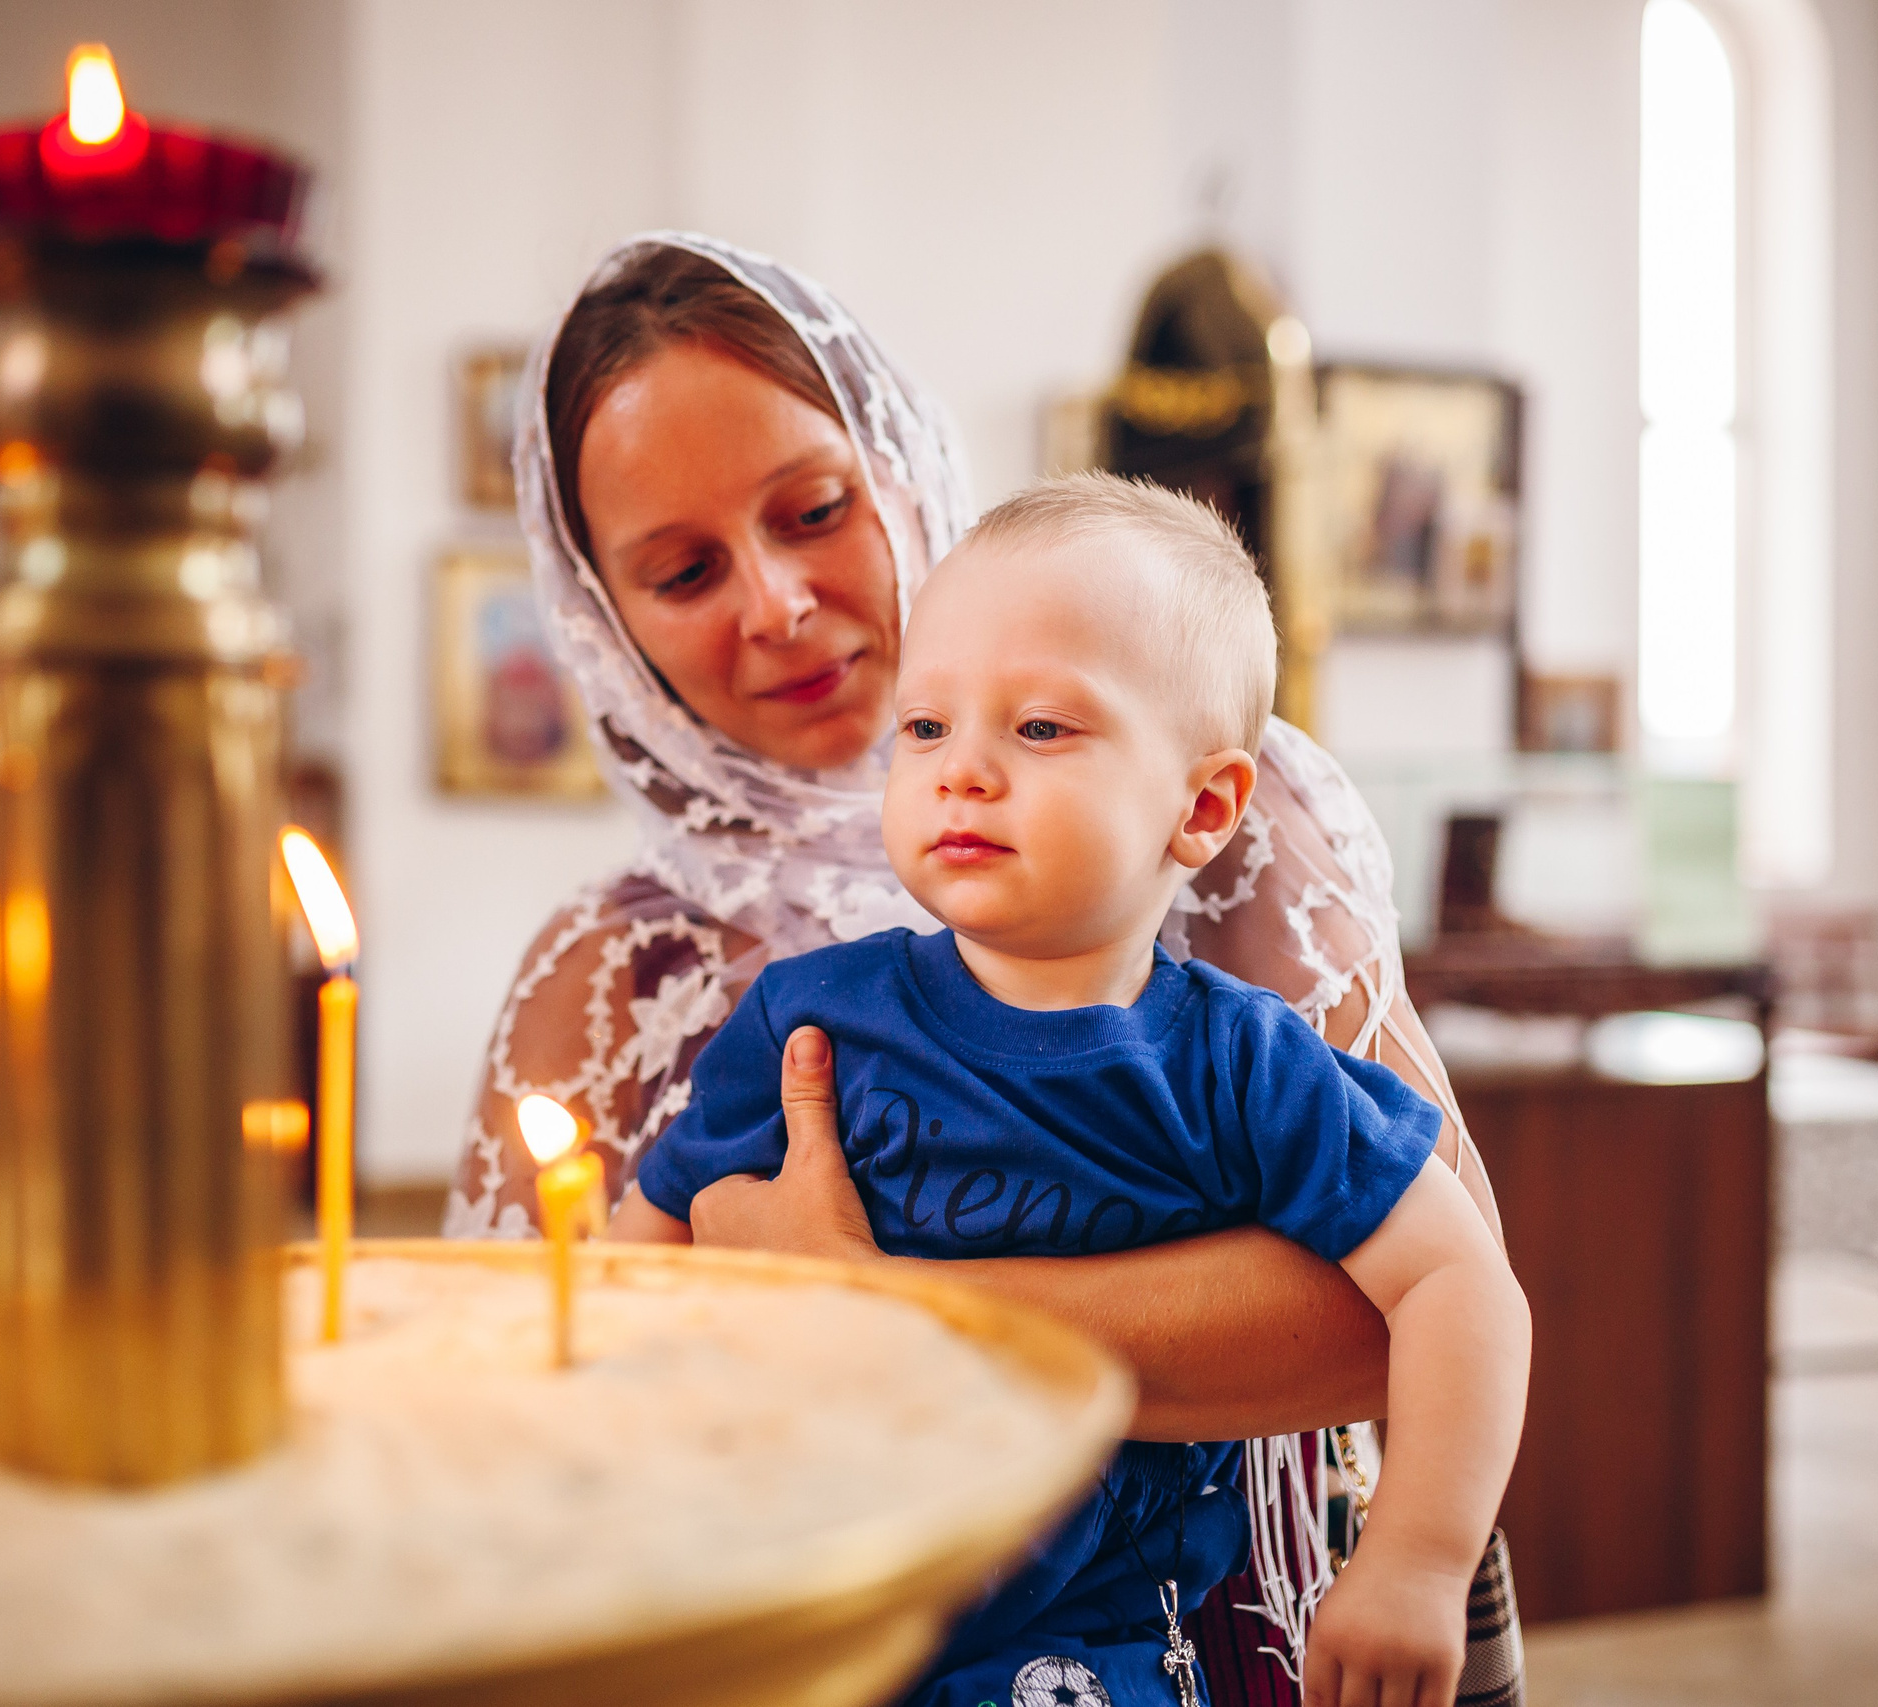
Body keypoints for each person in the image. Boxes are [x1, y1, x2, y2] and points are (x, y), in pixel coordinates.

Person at [449, 233, 1520, 1692]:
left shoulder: (1230, 815)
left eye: (815, 508)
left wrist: (870, 1294)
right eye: (684, 568)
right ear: (605, 618)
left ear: (897, 468)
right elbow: (545, 1408)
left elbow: (1404, 1302)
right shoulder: (617, 969)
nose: (773, 603)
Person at [614, 474, 1529, 1707]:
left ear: (1201, 805)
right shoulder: (810, 1021)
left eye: (1039, 729)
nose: (962, 772)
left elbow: (1459, 1280)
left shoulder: (1238, 1066)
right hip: (807, 1591)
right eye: (926, 729)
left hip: (1073, 1658)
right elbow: (642, 1254)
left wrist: (1418, 1559)